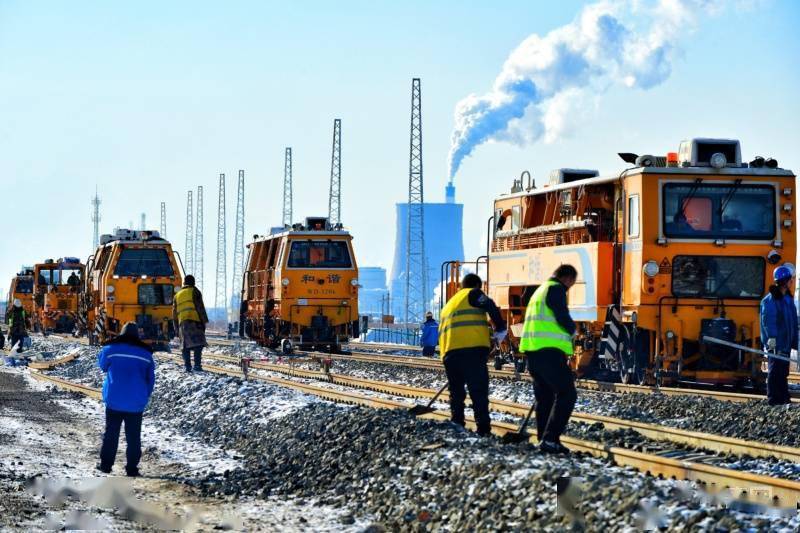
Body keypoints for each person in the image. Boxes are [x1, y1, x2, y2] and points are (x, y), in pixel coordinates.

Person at [519, 264, 579, 454]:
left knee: (544, 397)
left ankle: (543, 439)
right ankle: (551, 438)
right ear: (567, 278)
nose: (570, 286)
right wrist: (573, 329)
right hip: (548, 352)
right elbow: (561, 314)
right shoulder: (555, 289)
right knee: (567, 394)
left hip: (533, 351)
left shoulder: (540, 290)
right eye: (572, 282)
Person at [438, 273, 507, 436]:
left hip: (449, 354)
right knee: (478, 391)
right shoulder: (473, 293)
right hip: (471, 351)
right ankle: (483, 429)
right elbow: (489, 305)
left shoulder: (449, 304)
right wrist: (500, 328)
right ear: (476, 285)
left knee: (456, 393)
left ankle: (457, 423)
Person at [97, 322, 155, 476]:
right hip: (136, 403)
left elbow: (102, 366)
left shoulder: (110, 350)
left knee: (111, 433)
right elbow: (150, 380)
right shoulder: (146, 355)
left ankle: (106, 466)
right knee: (133, 437)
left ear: (121, 333)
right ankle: (131, 469)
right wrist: (144, 396)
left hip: (114, 400)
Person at [760, 265, 798, 406]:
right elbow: (769, 321)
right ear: (785, 281)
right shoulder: (770, 301)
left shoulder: (788, 300)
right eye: (790, 280)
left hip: (786, 343)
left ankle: (783, 398)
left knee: (782, 372)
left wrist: (794, 341)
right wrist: (772, 338)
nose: (792, 282)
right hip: (776, 344)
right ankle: (773, 400)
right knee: (775, 372)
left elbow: (793, 322)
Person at [173, 275, 209, 372]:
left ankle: (187, 366)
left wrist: (176, 328)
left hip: (182, 324)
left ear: (184, 283)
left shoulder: (177, 295)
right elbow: (200, 308)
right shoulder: (195, 291)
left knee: (185, 346)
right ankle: (197, 366)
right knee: (198, 344)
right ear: (193, 283)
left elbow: (174, 314)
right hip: (195, 321)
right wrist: (204, 322)